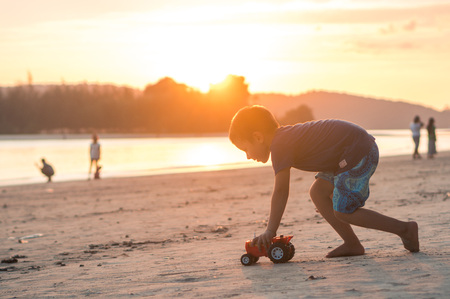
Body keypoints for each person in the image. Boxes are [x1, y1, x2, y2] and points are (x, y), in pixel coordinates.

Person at [229, 105, 419, 258]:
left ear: (258, 137)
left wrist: (271, 230)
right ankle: (352, 243)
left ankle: (405, 229)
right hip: (344, 154)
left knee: (343, 211)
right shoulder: (282, 139)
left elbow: (281, 191)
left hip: (357, 151)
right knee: (318, 192)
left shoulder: (279, 145)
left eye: (245, 149)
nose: (247, 156)